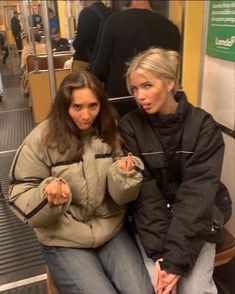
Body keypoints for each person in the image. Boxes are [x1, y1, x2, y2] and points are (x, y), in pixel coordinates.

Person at [8, 71, 154, 294]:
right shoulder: (41, 139)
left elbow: (123, 195)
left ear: (101, 105)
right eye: (77, 107)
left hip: (110, 229)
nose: (86, 115)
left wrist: (125, 177)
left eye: (93, 106)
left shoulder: (109, 131)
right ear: (64, 107)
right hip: (63, 239)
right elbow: (19, 192)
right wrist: (47, 198)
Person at [119, 48, 230, 294]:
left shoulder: (202, 126)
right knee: (159, 288)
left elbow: (197, 196)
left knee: (194, 289)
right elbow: (146, 197)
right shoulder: (130, 127)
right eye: (135, 89)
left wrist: (175, 262)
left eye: (147, 85)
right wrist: (162, 257)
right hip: (152, 225)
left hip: (197, 220)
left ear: (170, 82)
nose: (140, 96)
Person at [91, 0, 180, 98]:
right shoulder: (171, 28)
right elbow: (173, 70)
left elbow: (100, 69)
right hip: (158, 99)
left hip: (122, 99)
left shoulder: (114, 22)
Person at [72, 0, 111, 72]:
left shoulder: (86, 13)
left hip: (85, 61)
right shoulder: (110, 12)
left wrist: (74, 43)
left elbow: (79, 44)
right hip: (104, 64)